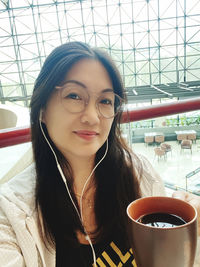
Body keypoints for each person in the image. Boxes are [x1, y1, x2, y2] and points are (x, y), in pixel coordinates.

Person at [0, 41, 199, 267]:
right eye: (74, 96)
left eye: (105, 101)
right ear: (42, 110)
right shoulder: (10, 213)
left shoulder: (139, 173)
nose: (93, 117)